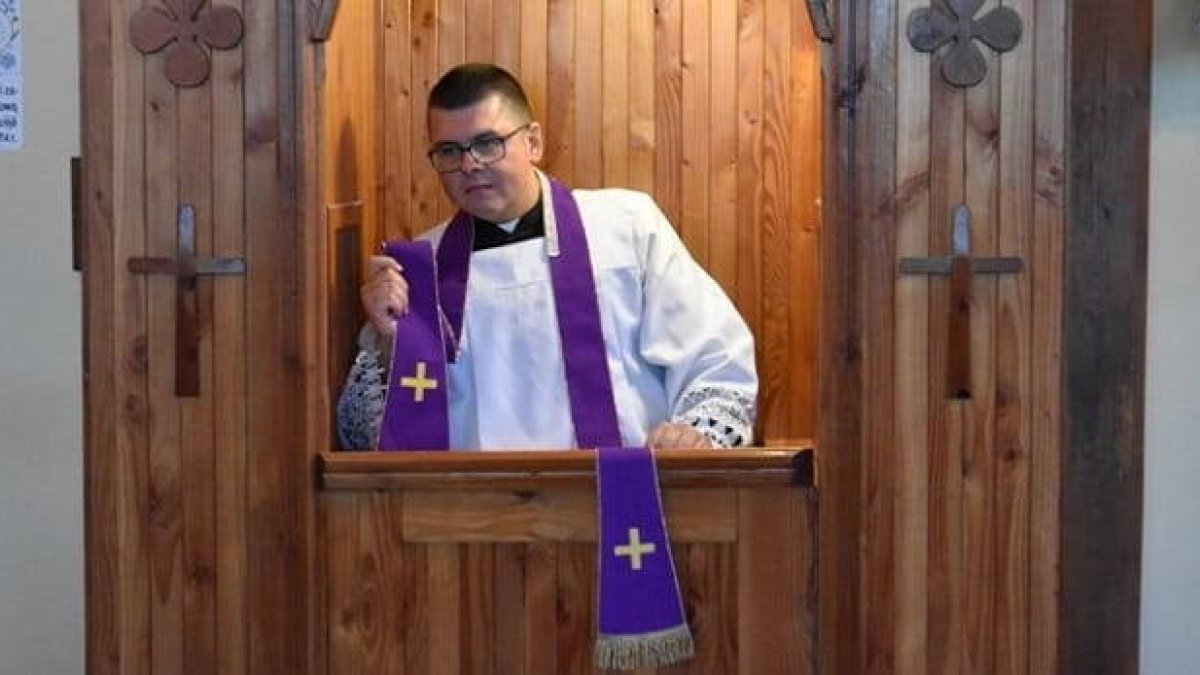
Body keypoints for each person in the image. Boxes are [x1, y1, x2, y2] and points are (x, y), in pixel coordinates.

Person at [337, 63, 757, 451]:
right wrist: (387, 342)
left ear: (533, 141)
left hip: (623, 505)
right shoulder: (420, 269)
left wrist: (694, 434)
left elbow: (716, 357)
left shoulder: (625, 227)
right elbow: (368, 436)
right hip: (474, 517)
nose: (468, 165)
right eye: (449, 151)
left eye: (487, 143)